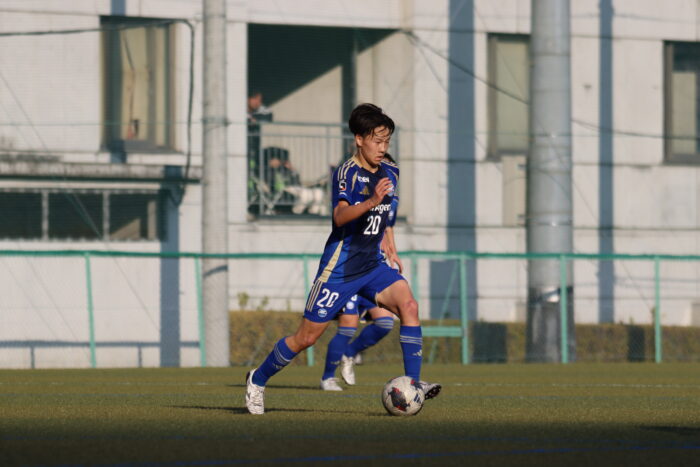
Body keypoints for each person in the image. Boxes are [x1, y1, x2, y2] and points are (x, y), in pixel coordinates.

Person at [245, 103, 441, 414]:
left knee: (409, 306)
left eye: (387, 141)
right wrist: (372, 200)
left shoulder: (391, 171)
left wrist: (388, 241)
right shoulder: (346, 173)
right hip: (339, 270)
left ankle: (414, 383)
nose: (383, 148)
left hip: (372, 265)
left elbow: (385, 213)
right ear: (359, 140)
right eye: (377, 141)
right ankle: (258, 379)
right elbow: (340, 216)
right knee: (306, 338)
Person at [320, 154, 402, 390]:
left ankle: (349, 353)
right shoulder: (358, 186)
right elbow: (343, 217)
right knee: (347, 325)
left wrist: (391, 248)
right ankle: (327, 377)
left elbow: (387, 226)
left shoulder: (391, 198)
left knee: (385, 322)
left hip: (373, 267)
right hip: (350, 267)